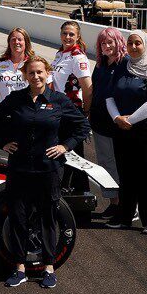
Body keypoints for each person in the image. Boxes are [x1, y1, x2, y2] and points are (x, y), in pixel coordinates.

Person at [0, 56, 90, 289]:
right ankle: (20, 267)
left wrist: (65, 146)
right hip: (20, 167)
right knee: (18, 216)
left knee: (47, 217)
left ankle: (49, 268)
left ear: (48, 73)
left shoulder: (59, 101)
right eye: (31, 73)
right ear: (25, 75)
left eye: (40, 73)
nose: (36, 77)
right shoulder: (16, 99)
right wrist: (3, 142)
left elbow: (82, 126)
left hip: (49, 169)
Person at [106, 31, 147, 235]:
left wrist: (130, 120)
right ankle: (125, 215)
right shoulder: (123, 64)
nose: (133, 47)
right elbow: (109, 96)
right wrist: (117, 118)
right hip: (122, 127)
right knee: (126, 172)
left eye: (137, 43)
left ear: (145, 45)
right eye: (130, 43)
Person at [51, 21, 93, 195]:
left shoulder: (78, 56)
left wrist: (85, 112)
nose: (67, 37)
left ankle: (80, 191)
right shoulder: (60, 53)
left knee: (73, 152)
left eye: (71, 34)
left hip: (71, 110)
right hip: (59, 109)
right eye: (65, 33)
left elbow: (88, 88)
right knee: (63, 151)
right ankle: (70, 189)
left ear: (77, 36)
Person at [91, 26, 127, 218]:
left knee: (122, 163)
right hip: (99, 122)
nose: (106, 46)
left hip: (119, 124)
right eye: (103, 43)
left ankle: (128, 203)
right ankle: (114, 202)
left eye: (110, 42)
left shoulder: (126, 64)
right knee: (105, 163)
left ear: (118, 42)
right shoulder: (100, 65)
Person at [0, 27, 41, 107]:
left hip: (27, 112)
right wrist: (1, 99)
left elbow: (45, 86)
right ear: (9, 43)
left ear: (26, 42)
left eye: (20, 39)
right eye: (13, 39)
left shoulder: (34, 63)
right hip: (5, 111)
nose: (16, 42)